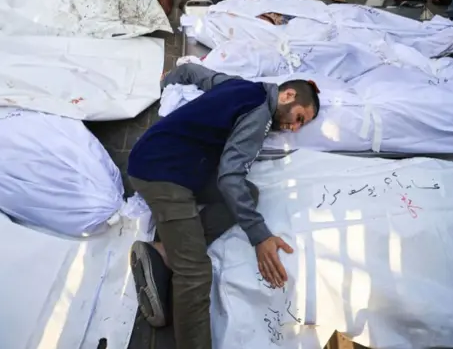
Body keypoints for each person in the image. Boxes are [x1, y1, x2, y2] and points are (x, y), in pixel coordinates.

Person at [126, 63, 320, 349]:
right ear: (288, 95)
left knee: (248, 194)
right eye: (299, 118)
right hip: (162, 172)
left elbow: (194, 71)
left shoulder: (241, 86)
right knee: (196, 272)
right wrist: (260, 236)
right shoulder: (261, 115)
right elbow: (230, 176)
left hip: (166, 157)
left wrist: (169, 80)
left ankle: (165, 251)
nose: (294, 128)